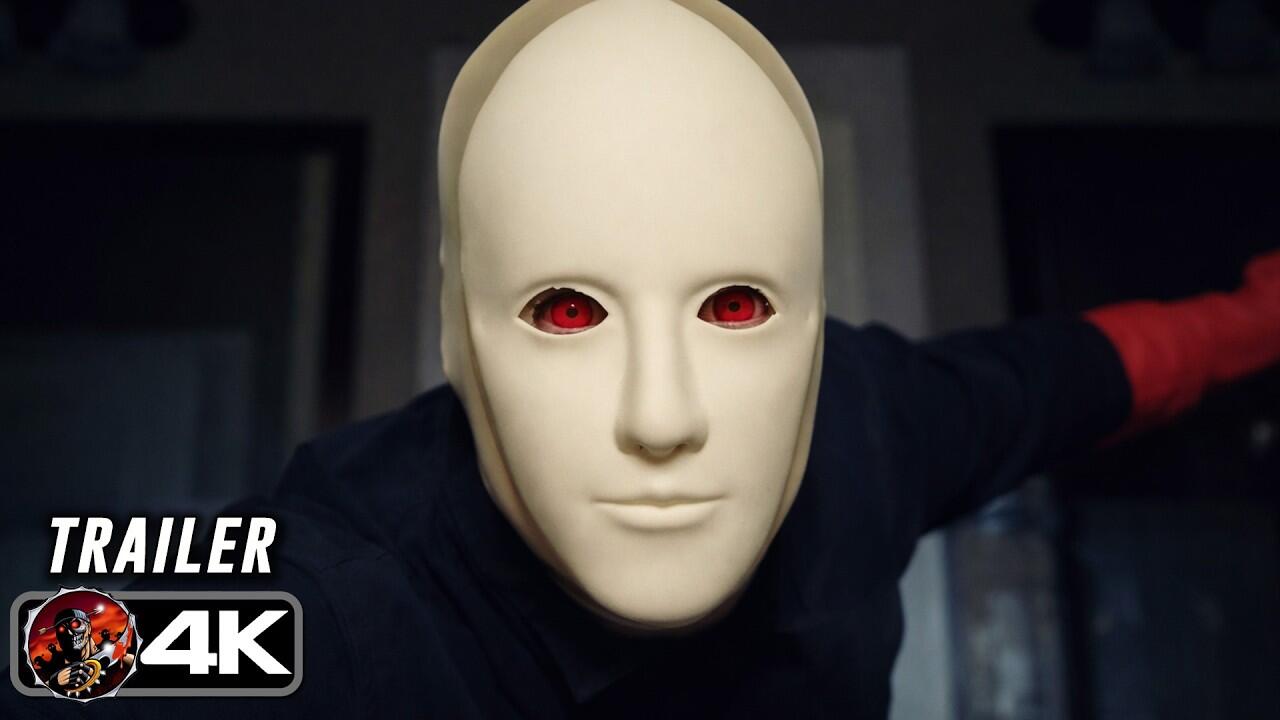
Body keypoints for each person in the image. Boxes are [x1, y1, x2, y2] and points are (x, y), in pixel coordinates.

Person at [6, 1, 1278, 717]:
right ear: (458, 334)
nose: (662, 416)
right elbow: (75, 639)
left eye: (734, 305)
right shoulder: (339, 583)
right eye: (568, 311)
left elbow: (1074, 376)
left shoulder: (868, 416)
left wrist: (1258, 315)